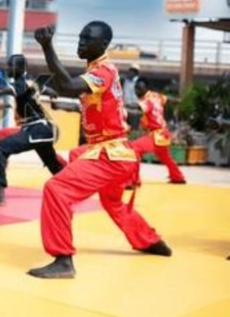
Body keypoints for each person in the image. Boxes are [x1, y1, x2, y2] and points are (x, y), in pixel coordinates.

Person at [27, 22, 172, 279]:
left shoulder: (104, 70)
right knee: (111, 200)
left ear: (103, 45)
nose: (80, 42)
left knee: (56, 189)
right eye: (80, 37)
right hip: (114, 153)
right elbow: (75, 92)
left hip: (110, 154)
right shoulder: (97, 72)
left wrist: (48, 47)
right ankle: (148, 240)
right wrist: (56, 90)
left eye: (87, 39)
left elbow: (69, 85)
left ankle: (63, 260)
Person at [0, 54, 66, 206]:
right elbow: (48, 89)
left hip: (36, 129)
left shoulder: (21, 83)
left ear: (19, 68)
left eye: (11, 66)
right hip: (42, 129)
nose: (7, 68)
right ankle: (73, 186)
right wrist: (53, 96)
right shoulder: (30, 80)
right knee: (53, 165)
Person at [129, 78, 186, 185]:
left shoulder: (146, 101)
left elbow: (137, 110)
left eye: (139, 88)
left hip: (156, 134)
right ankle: (178, 177)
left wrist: (120, 107)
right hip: (164, 133)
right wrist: (178, 101)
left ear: (146, 88)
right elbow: (168, 99)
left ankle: (134, 179)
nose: (137, 91)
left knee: (133, 149)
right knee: (165, 157)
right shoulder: (156, 96)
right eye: (136, 88)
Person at [123, 63, 141, 130]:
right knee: (125, 128)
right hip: (126, 108)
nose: (131, 72)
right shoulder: (125, 81)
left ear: (136, 73)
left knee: (134, 129)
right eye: (130, 70)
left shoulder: (139, 82)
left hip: (135, 109)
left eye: (133, 71)